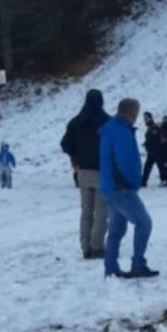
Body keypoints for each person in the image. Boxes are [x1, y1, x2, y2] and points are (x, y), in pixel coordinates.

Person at [100, 98, 158, 279]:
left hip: (109, 186)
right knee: (143, 222)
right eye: (136, 113)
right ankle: (138, 264)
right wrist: (135, 181)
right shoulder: (122, 132)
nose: (136, 118)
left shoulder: (109, 128)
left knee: (116, 230)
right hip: (122, 188)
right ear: (130, 113)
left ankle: (110, 268)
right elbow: (125, 162)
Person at [60, 89, 109, 259]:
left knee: (86, 211)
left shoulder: (76, 122)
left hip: (83, 171)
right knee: (102, 211)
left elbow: (65, 145)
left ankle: (85, 247)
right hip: (103, 171)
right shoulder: (107, 122)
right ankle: (97, 247)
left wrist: (77, 156)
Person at [141, 112, 162, 188]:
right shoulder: (150, 127)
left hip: (155, 150)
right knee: (151, 166)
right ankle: (143, 181)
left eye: (146, 118)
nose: (145, 120)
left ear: (150, 118)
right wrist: (146, 143)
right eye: (144, 118)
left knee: (155, 166)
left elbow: (155, 138)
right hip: (152, 150)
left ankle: (143, 182)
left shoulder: (153, 126)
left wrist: (148, 143)